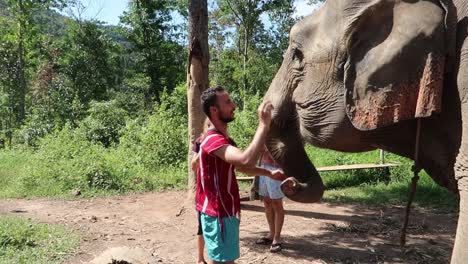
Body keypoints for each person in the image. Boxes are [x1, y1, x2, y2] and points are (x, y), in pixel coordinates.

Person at [196, 86, 286, 264]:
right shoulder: (213, 140)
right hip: (219, 213)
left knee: (225, 260)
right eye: (227, 102)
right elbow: (246, 160)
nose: (234, 105)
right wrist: (263, 125)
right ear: (214, 110)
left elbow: (242, 167)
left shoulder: (224, 140)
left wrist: (269, 173)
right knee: (223, 261)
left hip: (225, 211)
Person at [255, 146, 286, 253]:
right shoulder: (263, 129)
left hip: (277, 168)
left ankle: (277, 238)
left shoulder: (283, 130)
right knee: (267, 202)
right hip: (264, 166)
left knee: (277, 203)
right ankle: (271, 234)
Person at [191, 118, 212, 264]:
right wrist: (202, 149)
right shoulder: (199, 142)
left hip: (219, 194)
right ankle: (200, 259)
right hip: (203, 193)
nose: (211, 128)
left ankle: (214, 259)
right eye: (209, 125)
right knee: (202, 227)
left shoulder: (224, 141)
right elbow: (193, 166)